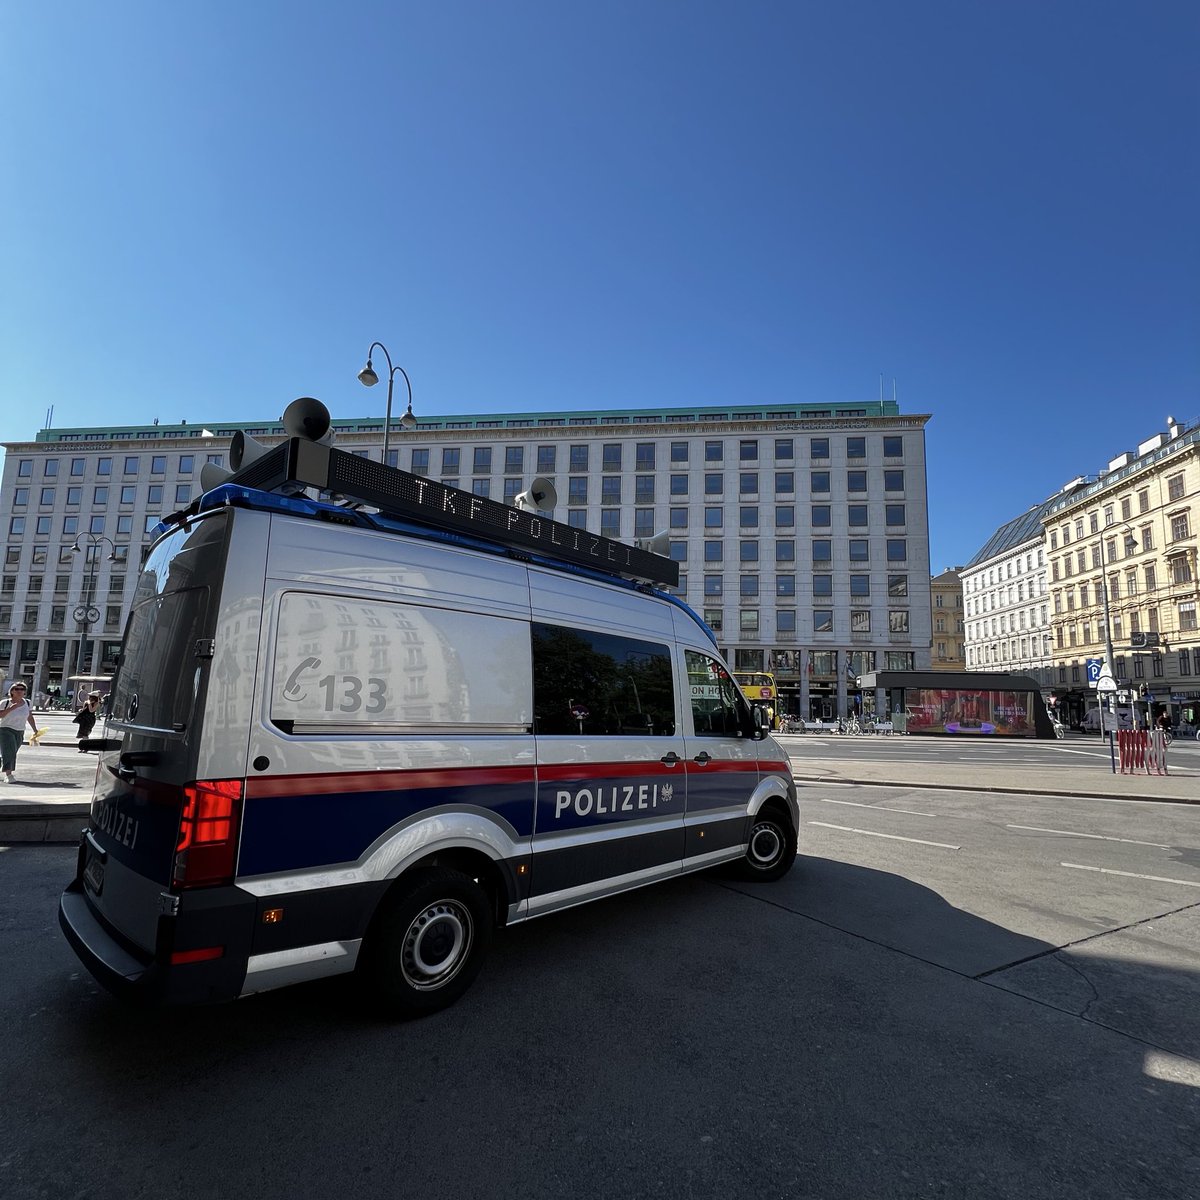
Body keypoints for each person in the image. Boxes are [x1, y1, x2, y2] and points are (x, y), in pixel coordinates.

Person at [0, 682, 40, 783]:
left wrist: (35, 729)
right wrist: (11, 708)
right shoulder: (5, 703)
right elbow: (1, 715)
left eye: (22, 689)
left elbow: (29, 716)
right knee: (10, 751)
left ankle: (3, 763)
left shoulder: (27, 702)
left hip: (20, 731)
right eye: (16, 689)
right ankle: (9, 775)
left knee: (11, 752)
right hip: (5, 729)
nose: (19, 691)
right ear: (12, 691)